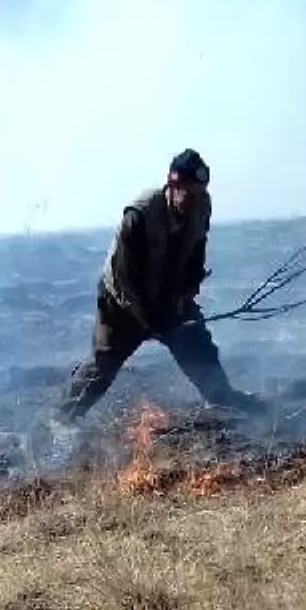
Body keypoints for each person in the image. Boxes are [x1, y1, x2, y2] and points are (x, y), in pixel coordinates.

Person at [55, 149, 262, 424]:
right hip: (123, 302)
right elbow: (124, 279)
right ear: (171, 186)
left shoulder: (202, 205)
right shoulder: (139, 215)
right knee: (103, 364)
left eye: (199, 192)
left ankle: (221, 398)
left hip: (169, 293)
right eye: (188, 193)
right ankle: (62, 419)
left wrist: (186, 294)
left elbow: (196, 250)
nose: (193, 199)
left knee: (197, 346)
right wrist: (150, 321)